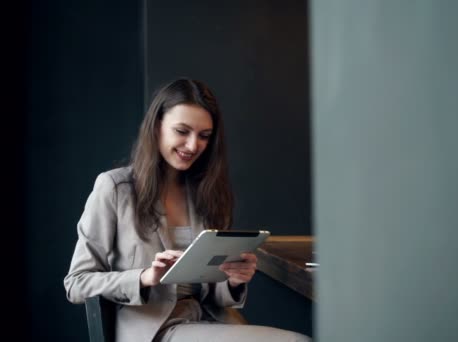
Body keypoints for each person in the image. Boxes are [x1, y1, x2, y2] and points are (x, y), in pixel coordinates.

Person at [64, 78, 311, 342]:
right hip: (152, 331)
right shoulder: (115, 188)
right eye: (182, 131)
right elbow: (77, 283)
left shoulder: (207, 193)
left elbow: (211, 291)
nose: (193, 146)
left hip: (208, 322)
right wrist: (145, 277)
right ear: (157, 126)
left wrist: (234, 280)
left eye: (204, 136)